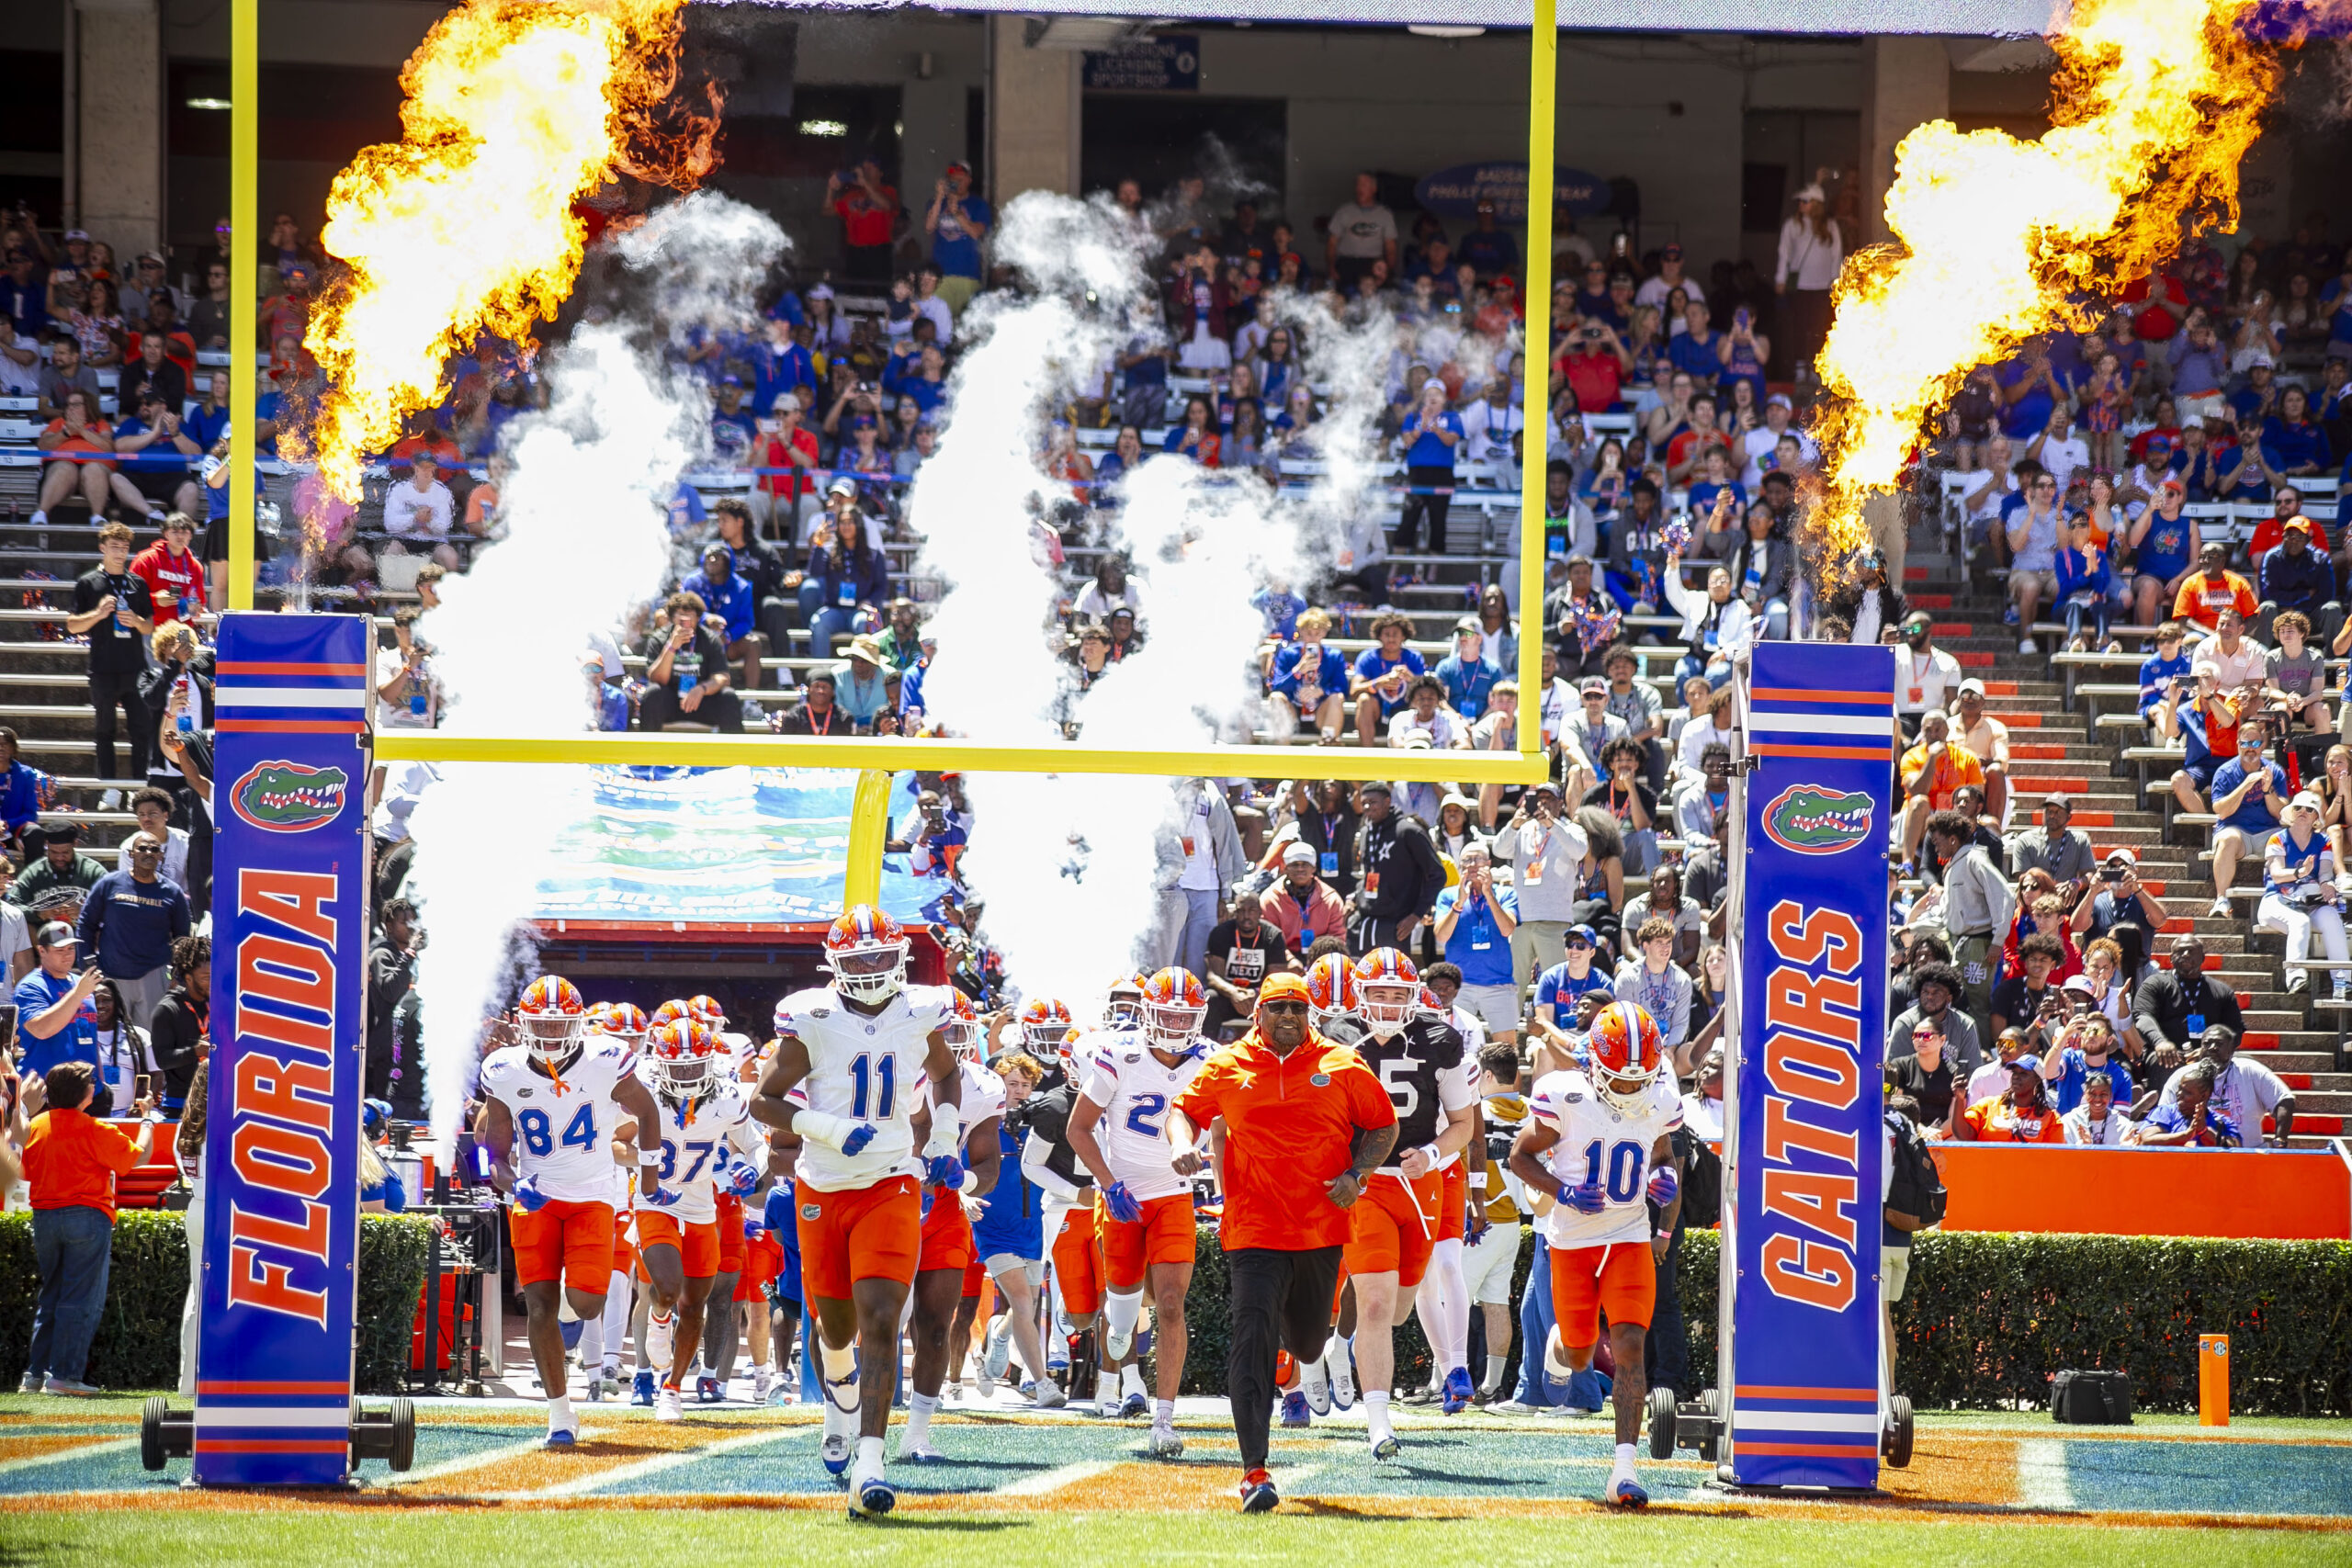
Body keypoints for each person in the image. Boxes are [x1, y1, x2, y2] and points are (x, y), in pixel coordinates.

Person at [752, 908, 962, 1516]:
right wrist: (827, 1127)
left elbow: (947, 1073)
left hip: (892, 1180)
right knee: (837, 1329)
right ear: (835, 965)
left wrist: (944, 1134)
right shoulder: (812, 1018)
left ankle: (871, 1463)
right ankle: (838, 1389)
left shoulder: (920, 1010)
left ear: (899, 958)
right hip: (823, 1185)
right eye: (858, 958)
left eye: (880, 957)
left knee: (882, 1317)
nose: (870, 968)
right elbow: (763, 1101)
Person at [1167, 971, 1397, 1512]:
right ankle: (1255, 1471)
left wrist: (1359, 1174)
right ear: (1259, 1013)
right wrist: (1180, 1144)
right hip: (1253, 1227)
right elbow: (1184, 1110)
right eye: (1278, 1007)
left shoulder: (1342, 1063)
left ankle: (1308, 1355)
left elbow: (1383, 1125)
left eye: (1298, 1007)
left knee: (1309, 1342)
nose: (1289, 1016)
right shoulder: (1227, 1064)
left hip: (1320, 1227)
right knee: (1251, 1339)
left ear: (1310, 1013)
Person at [1508, 1002, 1684, 1506]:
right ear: (1595, 1065)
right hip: (1573, 1241)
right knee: (1582, 1353)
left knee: (1630, 1343)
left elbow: (1664, 1154)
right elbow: (1519, 1156)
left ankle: (1624, 1471)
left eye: (1638, 1079)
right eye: (1620, 1078)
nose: (1629, 1087)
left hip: (1628, 1234)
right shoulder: (1565, 1094)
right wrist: (1562, 1192)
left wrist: (1663, 1178)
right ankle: (1561, 1346)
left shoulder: (1659, 1100)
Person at [1065, 968, 1212, 1457]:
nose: (1175, 1025)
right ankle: (1121, 1335)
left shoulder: (1210, 1059)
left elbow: (1229, 1126)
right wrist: (1108, 1184)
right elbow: (1078, 1129)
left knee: (1170, 1303)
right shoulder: (1118, 1053)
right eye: (1167, 1014)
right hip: (1124, 1196)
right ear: (1147, 1014)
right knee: (1123, 1313)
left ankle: (1163, 1419)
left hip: (1174, 1193)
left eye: (1184, 1017)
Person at [900, 998, 1009, 1454]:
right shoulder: (894, 1065)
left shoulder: (982, 1086)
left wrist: (962, 1179)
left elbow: (989, 1165)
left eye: (958, 1031)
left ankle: (917, 1434)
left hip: (944, 1204)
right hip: (888, 1194)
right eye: (942, 1031)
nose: (948, 1041)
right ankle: (852, 1418)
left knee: (935, 1324)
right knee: (885, 1318)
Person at [21, 1062, 159, 1395]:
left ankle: (35, 1375)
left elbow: (23, 1170)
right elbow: (138, 1157)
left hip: (44, 1216)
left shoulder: (36, 1126)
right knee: (80, 1299)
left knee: (51, 1296)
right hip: (86, 1215)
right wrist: (147, 1120)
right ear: (85, 1094)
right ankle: (64, 1376)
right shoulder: (93, 1128)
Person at [66, 521, 155, 785]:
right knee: (105, 730)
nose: (120, 552)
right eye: (114, 546)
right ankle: (109, 788)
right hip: (103, 668)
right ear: (102, 548)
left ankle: (140, 787)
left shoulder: (137, 583)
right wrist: (98, 613)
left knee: (141, 730)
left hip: (135, 667)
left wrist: (136, 621)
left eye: (124, 547)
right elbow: (72, 625)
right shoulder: (88, 582)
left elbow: (150, 626)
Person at [74, 832, 188, 1030]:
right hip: (111, 974)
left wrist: (177, 976)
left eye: (154, 849)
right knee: (111, 1036)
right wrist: (88, 965)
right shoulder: (109, 883)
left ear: (161, 856)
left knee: (151, 1038)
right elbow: (86, 924)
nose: (148, 853)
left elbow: (183, 939)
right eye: (142, 848)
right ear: (131, 853)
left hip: (154, 976)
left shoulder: (172, 891)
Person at [1431, 845, 1520, 1044]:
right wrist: (1459, 904)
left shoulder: (1505, 893)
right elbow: (1442, 936)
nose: (1472, 865)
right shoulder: (1448, 895)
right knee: (1453, 1047)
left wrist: (1489, 895)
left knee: (1506, 1051)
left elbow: (1507, 929)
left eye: (1478, 859)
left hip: (1498, 983)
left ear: (1488, 864)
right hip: (1460, 986)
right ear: (1460, 866)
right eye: (1467, 860)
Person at [2132, 936, 2243, 1077]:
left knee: (2245, 1062)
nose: (2185, 954)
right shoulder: (2155, 984)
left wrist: (2210, 1050)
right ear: (2171, 958)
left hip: (2212, 1053)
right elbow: (2142, 1016)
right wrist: (2160, 1041)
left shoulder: (2222, 991)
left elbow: (2235, 1030)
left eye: (2191, 951)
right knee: (2165, 1063)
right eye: (2180, 951)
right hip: (2168, 1053)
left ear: (2202, 958)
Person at [2206, 730, 2287, 919]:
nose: (2250, 748)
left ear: (2263, 745)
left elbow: (2281, 813)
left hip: (2268, 831)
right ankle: (2221, 899)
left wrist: (2267, 790)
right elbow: (2221, 811)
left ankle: (2284, 895)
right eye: (2245, 743)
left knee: (2285, 840)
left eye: (2256, 743)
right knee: (2227, 839)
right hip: (2236, 831)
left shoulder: (2274, 771)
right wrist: (2245, 785)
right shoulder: (2225, 772)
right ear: (2238, 745)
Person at [639, 592, 741, 733]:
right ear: (671, 617)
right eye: (680, 616)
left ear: (698, 618)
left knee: (728, 697)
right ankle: (648, 745)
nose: (685, 621)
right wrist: (671, 647)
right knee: (653, 694)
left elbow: (722, 677)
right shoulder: (658, 639)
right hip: (671, 699)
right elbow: (658, 679)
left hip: (702, 699)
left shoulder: (710, 639)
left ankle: (734, 746)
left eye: (690, 616)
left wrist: (702, 689)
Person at [16, 921, 102, 1084]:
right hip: (47, 1088)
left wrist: (101, 1082)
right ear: (42, 950)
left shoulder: (82, 982)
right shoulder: (30, 986)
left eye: (71, 948)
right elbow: (41, 1030)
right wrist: (78, 994)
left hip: (88, 1087)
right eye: (60, 950)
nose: (67, 955)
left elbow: (92, 1036)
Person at [1202, 891, 1294, 1039]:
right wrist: (1233, 993)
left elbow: (1277, 979)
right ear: (1234, 912)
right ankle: (1207, 1045)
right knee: (1210, 998)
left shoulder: (1273, 935)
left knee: (1282, 1002)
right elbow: (1213, 976)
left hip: (1260, 997)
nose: (1246, 916)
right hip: (1230, 996)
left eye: (1251, 910)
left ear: (1260, 912)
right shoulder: (1221, 933)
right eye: (1241, 911)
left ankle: (1275, 1049)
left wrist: (1257, 994)